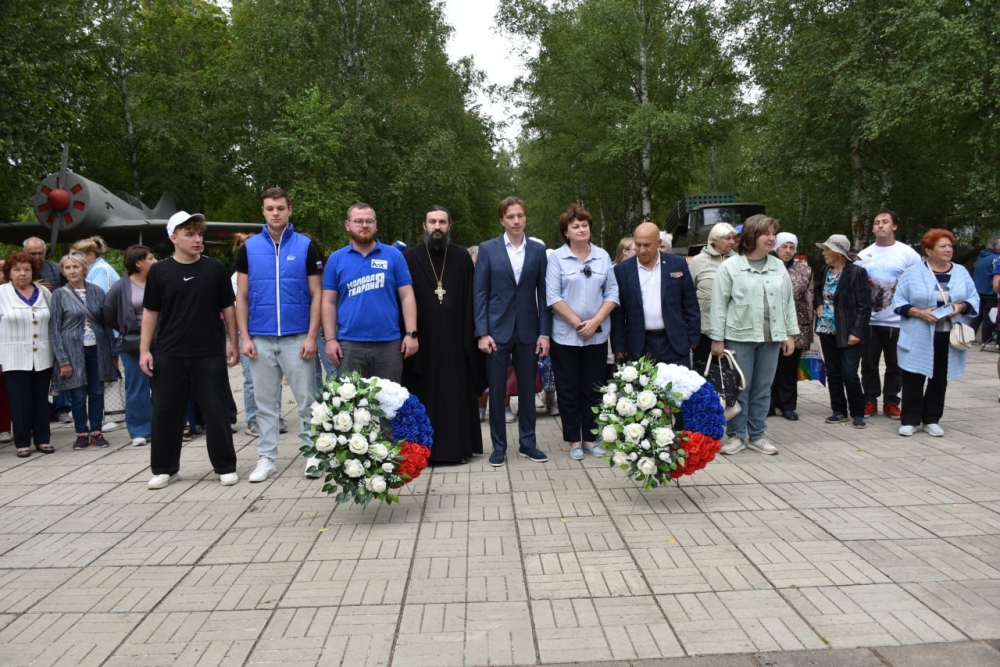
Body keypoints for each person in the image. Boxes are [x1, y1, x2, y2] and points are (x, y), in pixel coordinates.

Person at [140, 211, 240, 489]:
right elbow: (151, 311)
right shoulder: (159, 271)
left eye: (199, 234)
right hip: (170, 352)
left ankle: (225, 466)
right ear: (174, 238)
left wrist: (233, 342)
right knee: (165, 412)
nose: (198, 239)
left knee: (216, 411)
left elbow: (228, 308)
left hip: (209, 352)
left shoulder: (215, 268)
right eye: (190, 234)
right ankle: (165, 469)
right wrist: (145, 350)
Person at [236, 187, 324, 482]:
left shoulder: (305, 246)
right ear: (263, 211)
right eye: (270, 208)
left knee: (306, 400)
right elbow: (242, 296)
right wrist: (245, 337)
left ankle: (314, 453)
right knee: (265, 403)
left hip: (297, 337)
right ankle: (266, 458)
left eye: (280, 208)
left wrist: (312, 336)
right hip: (260, 338)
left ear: (289, 211)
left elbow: (317, 294)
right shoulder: (248, 248)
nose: (275, 213)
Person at [709, 214, 799, 456]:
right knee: (740, 388)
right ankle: (736, 436)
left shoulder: (778, 266)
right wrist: (717, 338)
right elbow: (718, 305)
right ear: (751, 236)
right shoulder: (730, 267)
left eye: (773, 234)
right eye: (766, 234)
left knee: (763, 388)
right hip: (739, 337)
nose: (771, 238)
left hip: (771, 338)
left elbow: (787, 302)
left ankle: (758, 435)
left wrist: (790, 334)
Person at [402, 205, 485, 465]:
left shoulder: (461, 257)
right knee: (423, 392)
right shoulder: (409, 257)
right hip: (422, 340)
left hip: (456, 339)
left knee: (454, 392)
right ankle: (422, 451)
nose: (437, 227)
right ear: (424, 226)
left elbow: (472, 300)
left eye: (442, 222)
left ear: (449, 226)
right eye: (432, 222)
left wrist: (471, 337)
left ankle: (457, 449)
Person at [474, 196, 552, 467]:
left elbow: (544, 294)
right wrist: (482, 333)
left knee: (528, 390)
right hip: (496, 331)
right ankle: (499, 447)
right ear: (502, 220)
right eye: (511, 217)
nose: (516, 221)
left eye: (520, 215)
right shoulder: (488, 249)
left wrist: (544, 333)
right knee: (496, 391)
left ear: (525, 217)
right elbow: (480, 293)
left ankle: (528, 443)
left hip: (529, 330)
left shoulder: (537, 250)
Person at [546, 204, 619, 460]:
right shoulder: (557, 258)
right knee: (568, 390)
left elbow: (612, 293)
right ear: (566, 232)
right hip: (565, 336)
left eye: (585, 225)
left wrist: (595, 321)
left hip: (596, 335)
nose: (581, 229)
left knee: (593, 388)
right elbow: (553, 296)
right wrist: (579, 324)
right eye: (575, 226)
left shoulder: (602, 256)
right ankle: (573, 440)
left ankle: (590, 438)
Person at [893, 229, 979, 437]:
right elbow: (898, 302)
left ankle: (931, 419)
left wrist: (960, 307)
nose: (948, 249)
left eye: (950, 246)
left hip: (948, 337)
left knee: (940, 378)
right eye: (943, 246)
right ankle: (910, 420)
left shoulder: (961, 272)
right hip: (918, 335)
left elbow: (974, 299)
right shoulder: (913, 273)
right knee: (913, 378)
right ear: (929, 250)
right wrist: (920, 313)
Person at [322, 202, 418, 383]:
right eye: (358, 221)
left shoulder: (394, 256)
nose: (364, 225)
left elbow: (407, 296)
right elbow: (328, 302)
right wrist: (330, 340)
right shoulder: (336, 259)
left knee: (389, 399)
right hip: (349, 345)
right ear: (348, 225)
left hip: (389, 344)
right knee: (350, 399)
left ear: (376, 224)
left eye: (369, 221)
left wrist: (411, 334)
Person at [854, 210, 921, 419]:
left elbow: (918, 284)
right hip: (870, 321)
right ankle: (870, 400)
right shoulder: (863, 255)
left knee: (895, 365)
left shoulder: (908, 254)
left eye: (885, 222)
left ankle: (892, 401)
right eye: (876, 222)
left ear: (895, 226)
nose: (880, 226)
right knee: (868, 364)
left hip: (898, 321)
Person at [49, 253, 118, 450]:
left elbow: (107, 323)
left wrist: (113, 353)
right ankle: (81, 432)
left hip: (98, 348)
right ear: (63, 271)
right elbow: (54, 329)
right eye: (67, 267)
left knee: (97, 391)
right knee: (78, 394)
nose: (72, 271)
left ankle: (96, 431)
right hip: (72, 351)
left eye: (76, 267)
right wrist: (62, 360)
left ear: (84, 269)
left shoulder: (97, 291)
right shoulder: (59, 294)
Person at [611, 222, 699, 367]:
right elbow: (618, 312)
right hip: (639, 344)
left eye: (647, 245)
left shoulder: (677, 264)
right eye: (638, 245)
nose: (641, 250)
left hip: (674, 342)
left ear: (658, 243)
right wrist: (618, 344)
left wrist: (693, 336)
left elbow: (690, 303)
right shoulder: (622, 270)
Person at [0, 252, 55, 457]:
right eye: (17, 270)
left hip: (42, 355)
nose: (22, 273)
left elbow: (52, 321)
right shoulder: (2, 293)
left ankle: (43, 439)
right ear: (9, 273)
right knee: (19, 400)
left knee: (41, 399)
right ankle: (22, 442)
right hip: (13, 356)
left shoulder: (44, 292)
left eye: (26, 270)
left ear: (33, 272)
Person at [813, 235, 871, 429]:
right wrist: (818, 304)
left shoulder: (857, 273)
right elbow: (818, 290)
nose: (823, 253)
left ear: (838, 252)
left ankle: (858, 412)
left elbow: (864, 306)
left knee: (849, 373)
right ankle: (839, 410)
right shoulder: (825, 270)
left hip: (849, 332)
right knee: (833, 372)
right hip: (826, 329)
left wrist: (857, 332)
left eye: (827, 249)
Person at [103, 245, 156, 446]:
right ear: (138, 263)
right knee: (136, 386)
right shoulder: (121, 286)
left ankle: (161, 426)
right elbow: (108, 311)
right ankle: (140, 430)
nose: (154, 261)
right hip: (133, 343)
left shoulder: (158, 281)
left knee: (163, 385)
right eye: (150, 258)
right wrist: (125, 328)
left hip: (160, 340)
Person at [24, 237, 70, 421]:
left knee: (60, 365)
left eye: (40, 253)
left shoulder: (55, 268)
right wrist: (35, 287)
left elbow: (66, 292)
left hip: (54, 323)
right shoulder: (18, 270)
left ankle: (62, 408)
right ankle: (40, 409)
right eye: (32, 253)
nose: (37, 257)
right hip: (28, 327)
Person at [768, 232, 813, 421]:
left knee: (789, 367)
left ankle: (787, 406)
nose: (787, 251)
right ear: (775, 247)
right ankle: (768, 405)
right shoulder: (766, 266)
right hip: (769, 324)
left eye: (791, 247)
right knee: (769, 368)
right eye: (783, 247)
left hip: (795, 326)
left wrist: (808, 329)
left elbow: (809, 300)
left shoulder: (805, 270)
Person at [689, 223, 737, 368]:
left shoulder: (738, 261)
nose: (732, 242)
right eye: (727, 238)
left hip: (733, 327)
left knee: (731, 371)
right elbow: (688, 295)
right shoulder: (698, 261)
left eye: (733, 238)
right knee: (704, 369)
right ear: (714, 240)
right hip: (705, 327)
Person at [970, 236, 1000, 344]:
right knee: (989, 316)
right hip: (990, 291)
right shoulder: (996, 259)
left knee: (977, 316)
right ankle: (986, 339)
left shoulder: (982, 256)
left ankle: (969, 337)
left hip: (978, 289)